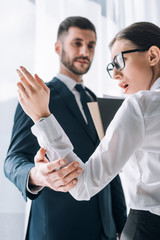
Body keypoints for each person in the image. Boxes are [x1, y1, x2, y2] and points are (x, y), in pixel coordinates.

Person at [16, 21, 160, 240]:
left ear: (152, 56)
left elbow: (96, 182)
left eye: (91, 45)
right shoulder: (38, 95)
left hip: (120, 228)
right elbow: (14, 158)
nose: (116, 75)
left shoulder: (131, 104)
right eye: (77, 43)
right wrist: (36, 176)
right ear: (58, 47)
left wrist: (42, 117)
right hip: (57, 228)